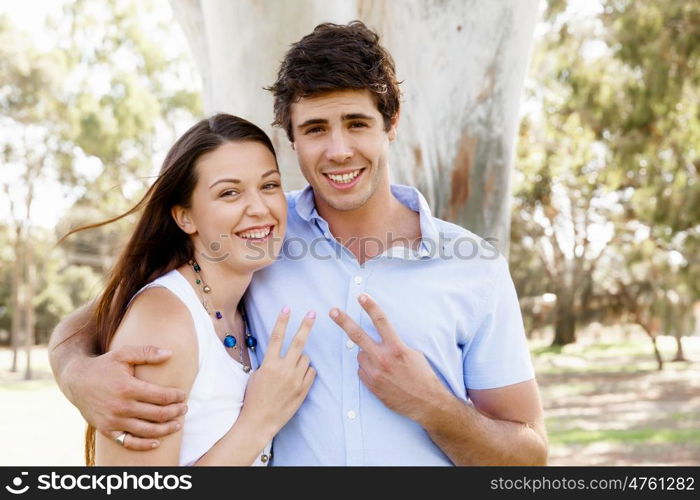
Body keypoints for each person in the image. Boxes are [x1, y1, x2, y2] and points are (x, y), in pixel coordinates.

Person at [50, 21, 547, 465]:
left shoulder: (474, 267)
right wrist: (75, 372)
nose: (338, 150)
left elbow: (529, 458)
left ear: (391, 125)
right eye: (315, 129)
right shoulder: (255, 233)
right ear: (292, 139)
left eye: (356, 123)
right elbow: (127, 303)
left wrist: (431, 405)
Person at [55, 114, 316, 465]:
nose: (259, 208)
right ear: (185, 217)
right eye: (229, 193)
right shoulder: (165, 326)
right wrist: (259, 422)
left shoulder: (244, 294)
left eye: (269, 186)